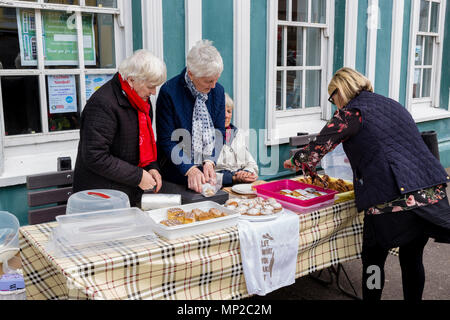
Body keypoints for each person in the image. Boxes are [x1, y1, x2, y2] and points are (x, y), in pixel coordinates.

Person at [284, 67, 450, 301]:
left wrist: (294, 160)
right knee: (412, 257)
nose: (334, 105)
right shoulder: (392, 104)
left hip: (392, 198)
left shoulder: (351, 113)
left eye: (333, 98)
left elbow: (316, 149)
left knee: (374, 261)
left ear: (341, 91)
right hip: (429, 191)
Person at [73, 49, 167, 207]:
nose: (154, 92)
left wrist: (151, 167)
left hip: (127, 194)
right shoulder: (102, 103)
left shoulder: (141, 98)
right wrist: (138, 176)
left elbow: (143, 143)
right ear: (131, 80)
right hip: (100, 198)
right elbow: (95, 156)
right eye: (151, 86)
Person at [156, 40, 225, 193]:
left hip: (204, 174)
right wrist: (189, 169)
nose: (213, 86)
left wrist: (209, 161)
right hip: (175, 173)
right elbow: (166, 139)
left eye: (216, 79)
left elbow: (219, 131)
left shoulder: (218, 91)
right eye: (208, 81)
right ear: (191, 74)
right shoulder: (169, 92)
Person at [215, 93, 258, 186]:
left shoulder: (237, 134)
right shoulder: (205, 137)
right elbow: (202, 173)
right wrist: (232, 178)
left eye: (229, 111)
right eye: (222, 111)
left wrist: (246, 173)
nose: (226, 115)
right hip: (218, 189)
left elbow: (252, 164)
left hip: (241, 186)